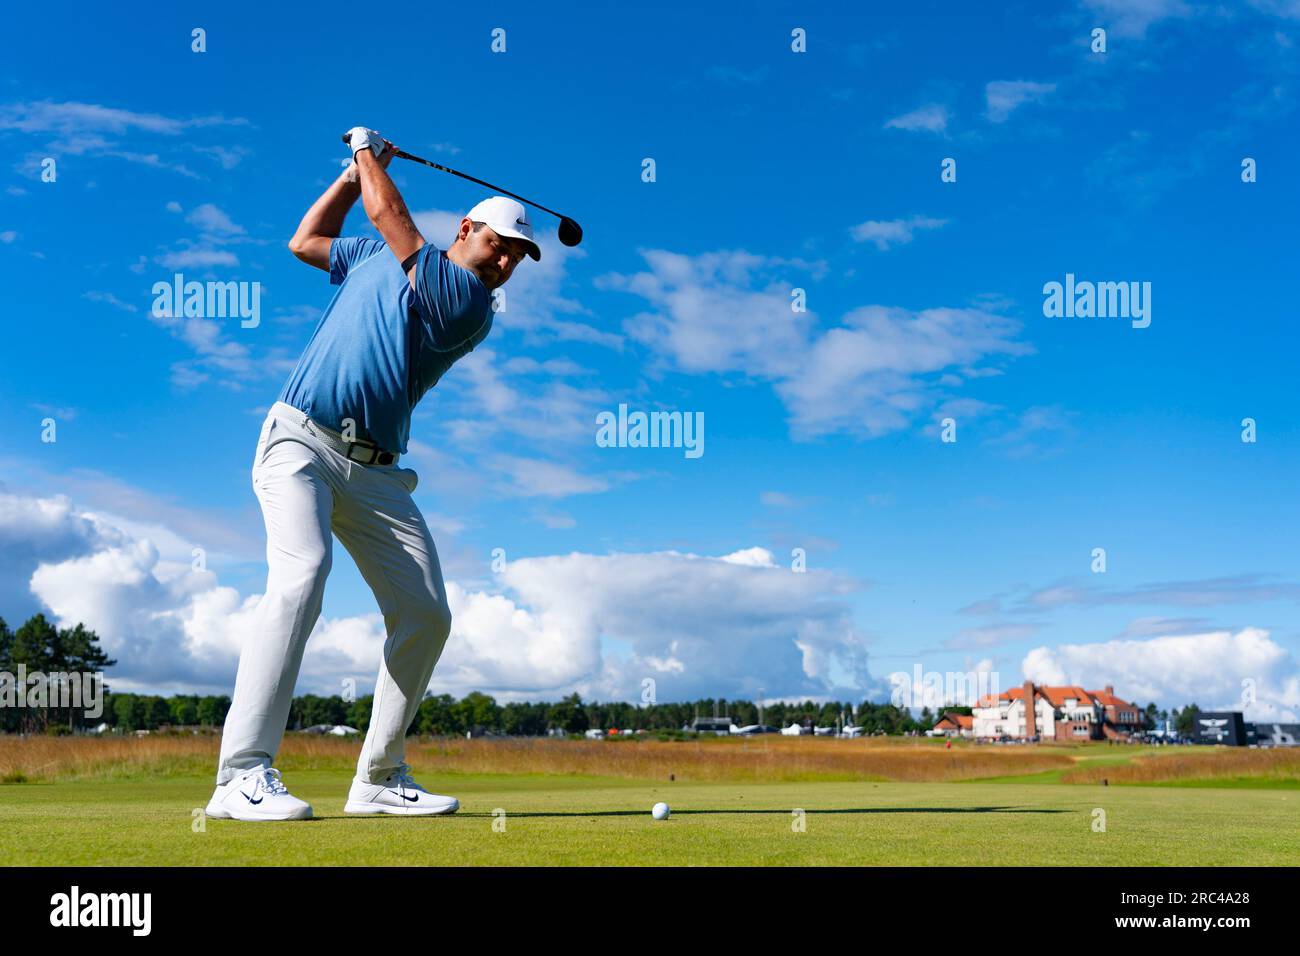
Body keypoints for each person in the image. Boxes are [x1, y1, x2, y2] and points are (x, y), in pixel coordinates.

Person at [205, 127, 540, 821]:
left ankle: (378, 777)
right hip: (299, 440)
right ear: (468, 229)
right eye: (498, 245)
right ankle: (241, 773)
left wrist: (365, 154)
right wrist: (352, 178)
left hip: (380, 475)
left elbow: (392, 218)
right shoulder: (373, 257)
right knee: (302, 575)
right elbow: (305, 242)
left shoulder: (467, 302)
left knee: (425, 614)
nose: (505, 261)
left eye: (517, 257)